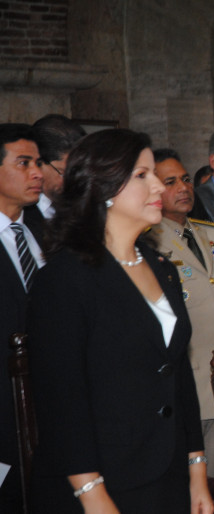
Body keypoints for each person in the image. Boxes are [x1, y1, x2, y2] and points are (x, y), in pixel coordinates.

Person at [26, 129, 214, 514]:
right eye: (142, 175)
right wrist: (90, 491)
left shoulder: (162, 268)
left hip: (167, 471)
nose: (158, 186)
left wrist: (196, 469)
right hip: (102, 477)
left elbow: (178, 374)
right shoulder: (64, 279)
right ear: (102, 188)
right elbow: (61, 399)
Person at [146, 148, 214, 481]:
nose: (183, 188)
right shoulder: (149, 245)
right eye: (170, 182)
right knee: (204, 481)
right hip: (192, 383)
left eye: (185, 179)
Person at [0, 123, 45, 512]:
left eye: (40, 163)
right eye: (24, 163)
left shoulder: (45, 233)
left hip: (47, 415)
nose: (37, 173)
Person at [31, 114, 86, 219]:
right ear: (38, 163)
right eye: (64, 173)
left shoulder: (84, 205)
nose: (73, 181)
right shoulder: (19, 209)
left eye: (78, 172)